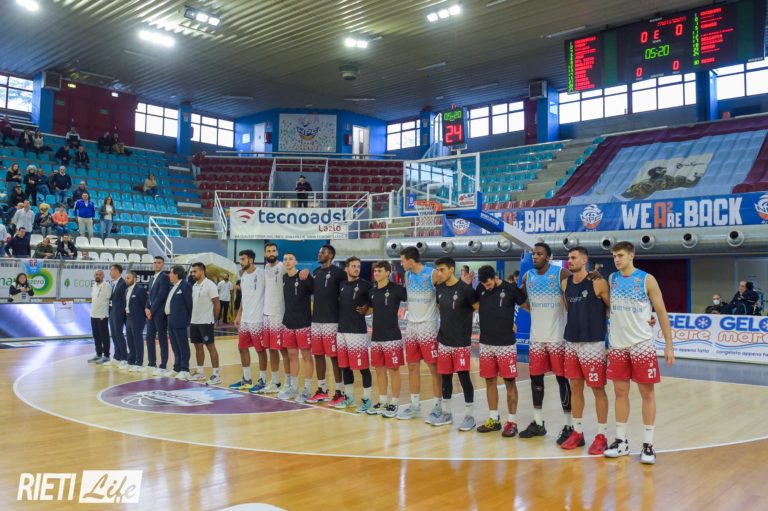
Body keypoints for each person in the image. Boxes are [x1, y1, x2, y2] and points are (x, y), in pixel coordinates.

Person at [605, 241, 674, 464]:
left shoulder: (647, 279)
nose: (617, 259)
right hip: (617, 344)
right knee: (620, 393)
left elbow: (661, 312)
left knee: (647, 394)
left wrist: (669, 345)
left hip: (641, 344)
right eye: (614, 256)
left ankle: (648, 445)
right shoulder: (612, 279)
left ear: (631, 256)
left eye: (620, 255)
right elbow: (612, 309)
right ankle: (621, 441)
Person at [518, 242, 573, 444]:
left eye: (539, 254)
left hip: (557, 338)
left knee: (562, 381)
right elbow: (520, 299)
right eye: (534, 253)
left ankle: (569, 425)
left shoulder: (561, 274)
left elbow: (575, 293)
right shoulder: (528, 276)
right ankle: (538, 423)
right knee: (536, 380)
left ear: (548, 257)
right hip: (536, 339)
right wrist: (530, 309)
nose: (535, 256)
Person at [560, 248, 610, 454]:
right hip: (572, 342)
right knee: (575, 387)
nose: (570, 261)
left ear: (584, 260)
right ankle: (578, 432)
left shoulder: (598, 283)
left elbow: (613, 309)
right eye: (568, 258)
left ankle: (602, 435)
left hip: (593, 343)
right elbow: (568, 309)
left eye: (573, 258)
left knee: (597, 389)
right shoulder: (565, 284)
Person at [474, 265, 527, 437]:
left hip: (505, 345)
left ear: (495, 277)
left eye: (489, 283)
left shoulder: (510, 289)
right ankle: (493, 419)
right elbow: (474, 306)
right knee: (489, 381)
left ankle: (512, 422)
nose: (486, 287)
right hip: (486, 344)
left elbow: (527, 306)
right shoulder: (480, 288)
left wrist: (512, 321)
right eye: (484, 284)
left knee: (509, 383)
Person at [430, 256, 479, 430]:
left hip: (461, 342)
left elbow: (479, 308)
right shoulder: (439, 288)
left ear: (452, 269)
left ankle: (469, 416)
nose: (439, 273)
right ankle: (446, 413)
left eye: (442, 269)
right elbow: (440, 309)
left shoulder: (465, 289)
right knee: (446, 378)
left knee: (464, 378)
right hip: (444, 340)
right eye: (437, 270)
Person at [397, 247, 442, 421]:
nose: (401, 264)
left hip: (428, 326)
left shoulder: (432, 274)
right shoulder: (407, 275)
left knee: (433, 367)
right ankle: (415, 405)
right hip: (411, 326)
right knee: (412, 366)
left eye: (402, 260)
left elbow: (443, 296)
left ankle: (438, 405)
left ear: (411, 260)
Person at [306, 244, 346, 404]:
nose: (320, 254)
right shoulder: (316, 272)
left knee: (334, 357)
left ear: (331, 255)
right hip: (316, 321)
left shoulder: (339, 273)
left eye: (323, 252)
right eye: (319, 251)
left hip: (332, 321)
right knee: (318, 355)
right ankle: (322, 390)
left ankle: (340, 391)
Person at [366, 260, 407, 418]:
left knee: (394, 370)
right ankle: (383, 400)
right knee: (379, 370)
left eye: (380, 271)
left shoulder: (396, 289)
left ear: (388, 273)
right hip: (376, 336)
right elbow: (369, 309)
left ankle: (394, 402)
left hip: (392, 337)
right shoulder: (372, 291)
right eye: (375, 271)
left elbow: (411, 296)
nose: (376, 273)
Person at [334, 256, 373, 411]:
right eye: (353, 266)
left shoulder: (366, 285)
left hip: (357, 332)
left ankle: (367, 400)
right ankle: (349, 398)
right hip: (342, 331)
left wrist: (367, 309)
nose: (356, 269)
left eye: (358, 266)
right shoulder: (342, 284)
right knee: (345, 366)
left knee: (363, 368)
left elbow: (374, 304)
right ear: (347, 268)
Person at [229, 249, 267, 392]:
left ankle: (263, 380)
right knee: (242, 348)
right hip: (245, 319)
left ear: (251, 260)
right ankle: (246, 379)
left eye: (243, 259)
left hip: (257, 320)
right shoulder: (243, 276)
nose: (241, 262)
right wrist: (239, 315)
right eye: (240, 259)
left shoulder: (261, 274)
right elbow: (243, 298)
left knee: (260, 350)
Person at [279, 252, 314, 402]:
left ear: (296, 262)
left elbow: (317, 292)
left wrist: (307, 271)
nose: (287, 261)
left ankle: (307, 389)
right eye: (285, 259)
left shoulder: (304, 276)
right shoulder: (284, 278)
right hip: (288, 323)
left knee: (306, 356)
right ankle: (293, 388)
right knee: (292, 356)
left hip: (303, 323)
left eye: (290, 259)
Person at [259, 242, 288, 394]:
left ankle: (289, 383)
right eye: (268, 251)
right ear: (265, 254)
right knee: (271, 349)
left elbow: (296, 273)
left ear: (277, 253)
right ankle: (275, 381)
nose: (271, 253)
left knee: (283, 350)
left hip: (279, 314)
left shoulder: (283, 267)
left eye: (273, 251)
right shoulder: (265, 268)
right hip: (267, 314)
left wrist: (303, 271)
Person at [189, 262, 221, 384]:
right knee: (198, 346)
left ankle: (216, 375)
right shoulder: (194, 285)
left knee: (210, 347)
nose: (192, 274)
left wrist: (214, 319)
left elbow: (217, 304)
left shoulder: (210, 285)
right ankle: (200, 372)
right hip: (194, 321)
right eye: (192, 271)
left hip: (206, 322)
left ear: (202, 271)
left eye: (195, 271)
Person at [145, 256, 172, 376]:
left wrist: (151, 310)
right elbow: (150, 295)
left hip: (159, 313)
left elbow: (162, 295)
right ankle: (151, 363)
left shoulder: (164, 277)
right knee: (149, 338)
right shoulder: (152, 278)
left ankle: (163, 365)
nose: (156, 264)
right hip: (151, 313)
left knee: (162, 339)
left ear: (163, 264)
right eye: (155, 262)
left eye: (159, 263)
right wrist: (146, 308)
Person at [167, 266, 193, 379]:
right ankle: (177, 367)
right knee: (175, 346)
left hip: (180, 320)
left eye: (171, 273)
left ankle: (185, 369)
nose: (169, 275)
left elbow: (190, 304)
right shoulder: (173, 286)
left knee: (183, 346)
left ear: (177, 274)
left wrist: (187, 319)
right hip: (171, 320)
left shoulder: (185, 286)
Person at [124, 271, 148, 372]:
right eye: (126, 278)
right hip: (128, 317)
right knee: (129, 340)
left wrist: (143, 318)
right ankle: (131, 361)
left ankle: (139, 363)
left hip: (137, 318)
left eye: (128, 278)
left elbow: (145, 304)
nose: (126, 280)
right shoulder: (126, 290)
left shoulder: (140, 290)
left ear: (134, 279)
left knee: (137, 340)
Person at [89, 269, 111, 364]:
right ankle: (98, 354)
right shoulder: (94, 285)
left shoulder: (106, 285)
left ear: (103, 276)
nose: (98, 276)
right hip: (93, 314)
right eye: (96, 274)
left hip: (102, 315)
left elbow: (109, 298)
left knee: (104, 336)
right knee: (96, 336)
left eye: (100, 274)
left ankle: (106, 355)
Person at [109, 264, 129, 370]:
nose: (110, 273)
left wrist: (122, 312)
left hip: (119, 313)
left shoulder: (123, 283)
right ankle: (117, 356)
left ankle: (124, 357)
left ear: (117, 271)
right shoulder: (114, 283)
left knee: (118, 334)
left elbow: (125, 299)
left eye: (111, 270)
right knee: (114, 334)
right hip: (113, 312)